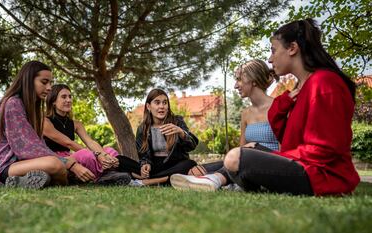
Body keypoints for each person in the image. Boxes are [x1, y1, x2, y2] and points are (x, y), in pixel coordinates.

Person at [170, 18, 360, 196]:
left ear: (292, 48)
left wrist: (278, 155)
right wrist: (284, 103)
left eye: (273, 50)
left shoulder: (324, 83)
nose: (270, 59)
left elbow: (325, 150)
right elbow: (285, 136)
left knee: (236, 157)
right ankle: (217, 178)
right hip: (303, 165)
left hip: (322, 175)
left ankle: (219, 179)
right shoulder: (299, 90)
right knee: (242, 155)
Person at [0, 61, 73, 189]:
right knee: (55, 164)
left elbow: (38, 144)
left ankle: (29, 180)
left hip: (17, 164)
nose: (49, 88)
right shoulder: (12, 103)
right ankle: (30, 179)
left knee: (55, 167)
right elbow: (25, 147)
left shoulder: (31, 109)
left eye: (50, 83)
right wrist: (67, 162)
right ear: (28, 80)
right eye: (44, 82)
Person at [187, 59, 280, 176]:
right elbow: (241, 150)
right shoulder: (246, 113)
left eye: (239, 79)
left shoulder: (279, 107)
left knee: (247, 156)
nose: (236, 86)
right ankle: (212, 179)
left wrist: (254, 150)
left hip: (271, 165)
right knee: (194, 171)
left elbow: (285, 152)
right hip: (246, 160)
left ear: (254, 80)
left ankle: (216, 179)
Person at [43, 84, 130, 185]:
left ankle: (109, 174)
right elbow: (68, 143)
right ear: (53, 101)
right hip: (57, 159)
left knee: (110, 151)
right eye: (64, 97)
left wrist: (104, 155)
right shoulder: (45, 121)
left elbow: (90, 142)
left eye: (70, 96)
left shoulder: (76, 124)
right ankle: (101, 177)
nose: (68, 100)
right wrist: (96, 155)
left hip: (71, 156)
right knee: (86, 154)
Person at [129, 88, 198, 185]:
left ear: (168, 106)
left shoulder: (177, 121)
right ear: (148, 106)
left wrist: (181, 132)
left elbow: (192, 146)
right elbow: (143, 155)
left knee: (190, 164)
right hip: (155, 167)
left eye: (165, 103)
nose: (161, 106)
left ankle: (149, 181)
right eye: (157, 103)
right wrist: (145, 164)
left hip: (175, 165)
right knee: (121, 161)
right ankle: (168, 179)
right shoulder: (143, 128)